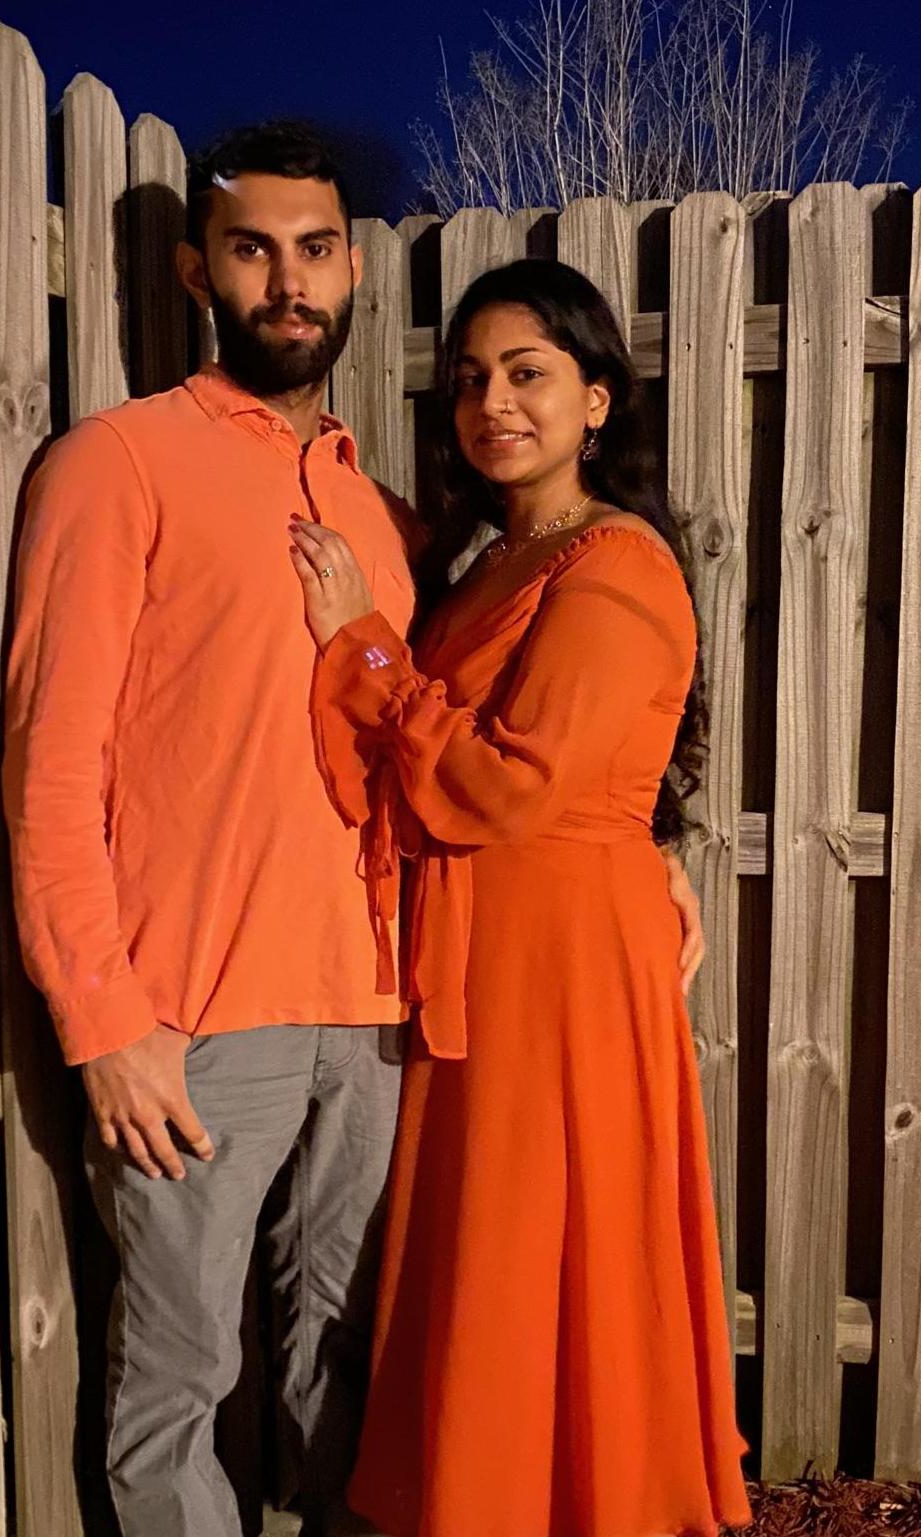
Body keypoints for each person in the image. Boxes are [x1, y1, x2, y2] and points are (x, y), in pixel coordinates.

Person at [4, 122, 705, 1537]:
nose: (288, 281)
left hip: (384, 1016)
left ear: (351, 271)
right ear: (198, 272)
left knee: (356, 1374)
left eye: (314, 249)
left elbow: (516, 736)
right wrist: (103, 1018)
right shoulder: (115, 463)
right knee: (178, 1379)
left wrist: (645, 851)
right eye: (252, 249)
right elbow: (49, 764)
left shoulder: (390, 522)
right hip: (199, 1013)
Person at [288, 259, 752, 1537]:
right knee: (488, 1244)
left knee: (542, 1234)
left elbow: (509, 783)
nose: (493, 402)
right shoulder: (492, 559)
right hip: (491, 946)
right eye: (470, 379)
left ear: (596, 399)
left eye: (528, 373)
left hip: (558, 964)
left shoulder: (617, 563)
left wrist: (365, 646)